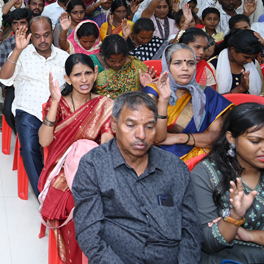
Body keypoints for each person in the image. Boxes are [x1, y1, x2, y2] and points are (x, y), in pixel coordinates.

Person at [72, 91, 203, 264]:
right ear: (113, 124)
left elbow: (191, 231)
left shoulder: (175, 168)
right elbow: (89, 234)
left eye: (149, 126)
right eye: (131, 125)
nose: (141, 135)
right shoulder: (94, 165)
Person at [191, 104, 264, 263]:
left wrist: (250, 236)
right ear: (231, 138)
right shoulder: (206, 174)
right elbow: (206, 242)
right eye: (255, 141)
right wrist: (234, 217)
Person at [38, 54, 114, 264]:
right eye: (77, 75)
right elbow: (44, 142)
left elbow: (107, 142)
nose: (84, 80)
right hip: (60, 170)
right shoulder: (59, 104)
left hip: (93, 166)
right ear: (68, 78)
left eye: (88, 73)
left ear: (95, 73)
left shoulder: (104, 104)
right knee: (77, 203)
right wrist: (54, 102)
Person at [0, 16, 69, 199]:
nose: (43, 40)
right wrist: (17, 49)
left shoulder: (64, 57)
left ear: (52, 33)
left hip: (59, 112)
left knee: (72, 147)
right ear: (30, 35)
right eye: (37, 36)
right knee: (29, 147)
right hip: (29, 110)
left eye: (46, 35)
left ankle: (68, 192)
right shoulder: (22, 54)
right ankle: (45, 197)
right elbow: (4, 79)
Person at [144, 43, 233, 162]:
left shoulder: (205, 94)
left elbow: (217, 137)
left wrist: (178, 138)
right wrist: (164, 101)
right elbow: (154, 138)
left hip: (200, 158)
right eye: (177, 63)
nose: (185, 68)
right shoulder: (153, 92)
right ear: (167, 66)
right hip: (161, 159)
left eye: (190, 63)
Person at [90, 35, 151, 99]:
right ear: (103, 55)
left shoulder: (134, 65)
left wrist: (146, 86)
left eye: (121, 60)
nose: (117, 64)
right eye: (112, 61)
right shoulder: (92, 63)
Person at [208, 29, 264, 96]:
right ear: (233, 50)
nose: (250, 61)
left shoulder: (254, 63)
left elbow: (261, 94)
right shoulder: (211, 66)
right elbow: (211, 100)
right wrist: (241, 88)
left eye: (252, 57)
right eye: (246, 57)